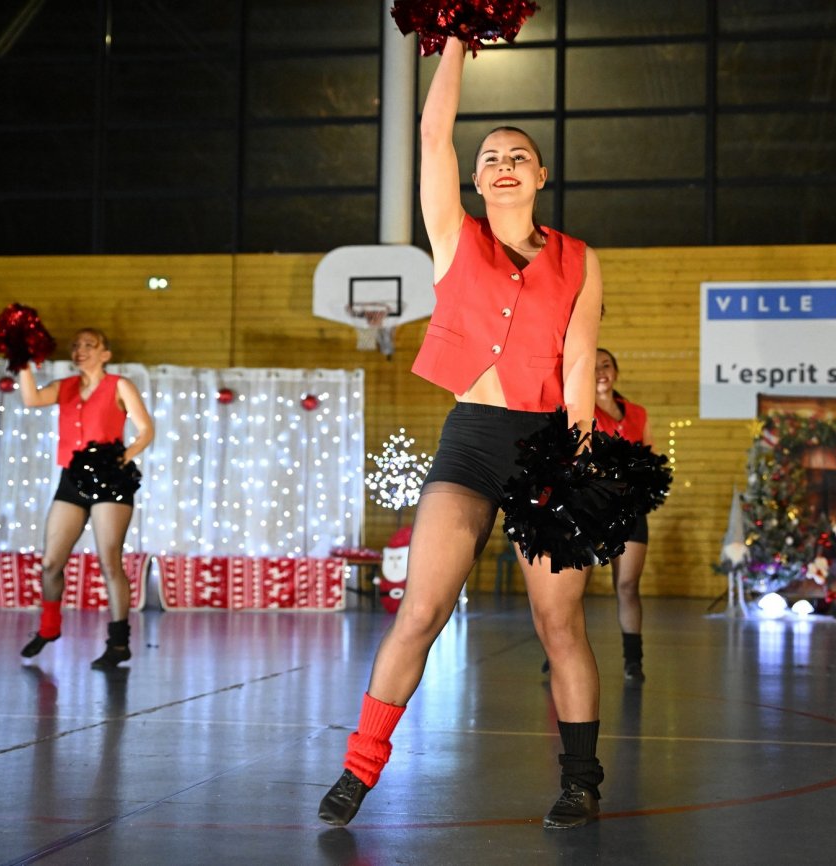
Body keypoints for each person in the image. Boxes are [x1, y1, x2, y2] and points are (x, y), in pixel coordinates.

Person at [318, 36, 605, 829]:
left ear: (541, 175)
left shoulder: (580, 260)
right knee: (420, 610)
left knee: (559, 623)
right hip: (472, 439)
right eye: (490, 158)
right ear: (476, 179)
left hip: (549, 445)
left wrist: (581, 461)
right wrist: (453, 36)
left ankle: (580, 781)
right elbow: (431, 133)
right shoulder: (453, 236)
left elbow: (581, 364)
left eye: (519, 156)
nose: (504, 164)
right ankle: (359, 769)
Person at [17, 329, 154, 669]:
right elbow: (31, 399)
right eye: (76, 345)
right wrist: (21, 361)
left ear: (105, 354)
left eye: (89, 345)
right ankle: (49, 627)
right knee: (51, 563)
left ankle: (119, 642)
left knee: (109, 561)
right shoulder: (64, 387)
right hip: (73, 478)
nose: (80, 350)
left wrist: (122, 458)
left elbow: (146, 430)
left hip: (109, 478)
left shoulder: (119, 385)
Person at [593, 348, 654, 683]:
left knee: (628, 586)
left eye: (606, 365)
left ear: (615, 371)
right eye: (592, 367)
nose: (600, 371)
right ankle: (556, 653)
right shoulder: (577, 408)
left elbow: (651, 460)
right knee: (571, 590)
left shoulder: (637, 413)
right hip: (588, 510)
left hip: (629, 509)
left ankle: (634, 660)